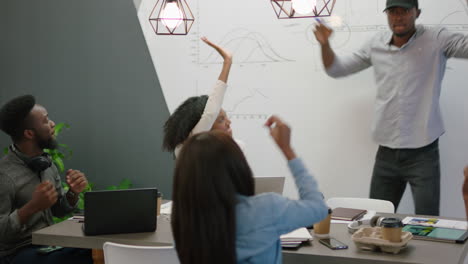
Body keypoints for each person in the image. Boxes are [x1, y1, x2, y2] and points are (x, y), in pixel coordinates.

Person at [313, 0, 468, 215]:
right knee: (376, 221)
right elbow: (336, 69)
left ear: (417, 13)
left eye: (404, 11)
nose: (398, 17)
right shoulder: (375, 44)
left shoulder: (437, 39)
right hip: (386, 155)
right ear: (387, 14)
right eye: (393, 11)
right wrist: (324, 45)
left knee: (429, 223)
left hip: (423, 153)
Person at [171, 115, 328, 264]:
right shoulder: (266, 208)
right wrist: (288, 150)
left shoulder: (185, 218)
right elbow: (319, 209)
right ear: (237, 166)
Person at [0, 95, 91, 264]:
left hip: (48, 244)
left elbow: (58, 210)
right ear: (29, 133)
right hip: (17, 252)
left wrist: (72, 193)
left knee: (97, 250)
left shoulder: (46, 163)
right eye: (46, 120)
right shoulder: (4, 175)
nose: (52, 124)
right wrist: (32, 207)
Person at [163, 36, 233, 157]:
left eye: (225, 118)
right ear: (203, 127)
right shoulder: (184, 150)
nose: (229, 122)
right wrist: (227, 62)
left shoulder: (230, 151)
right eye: (220, 119)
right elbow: (210, 113)